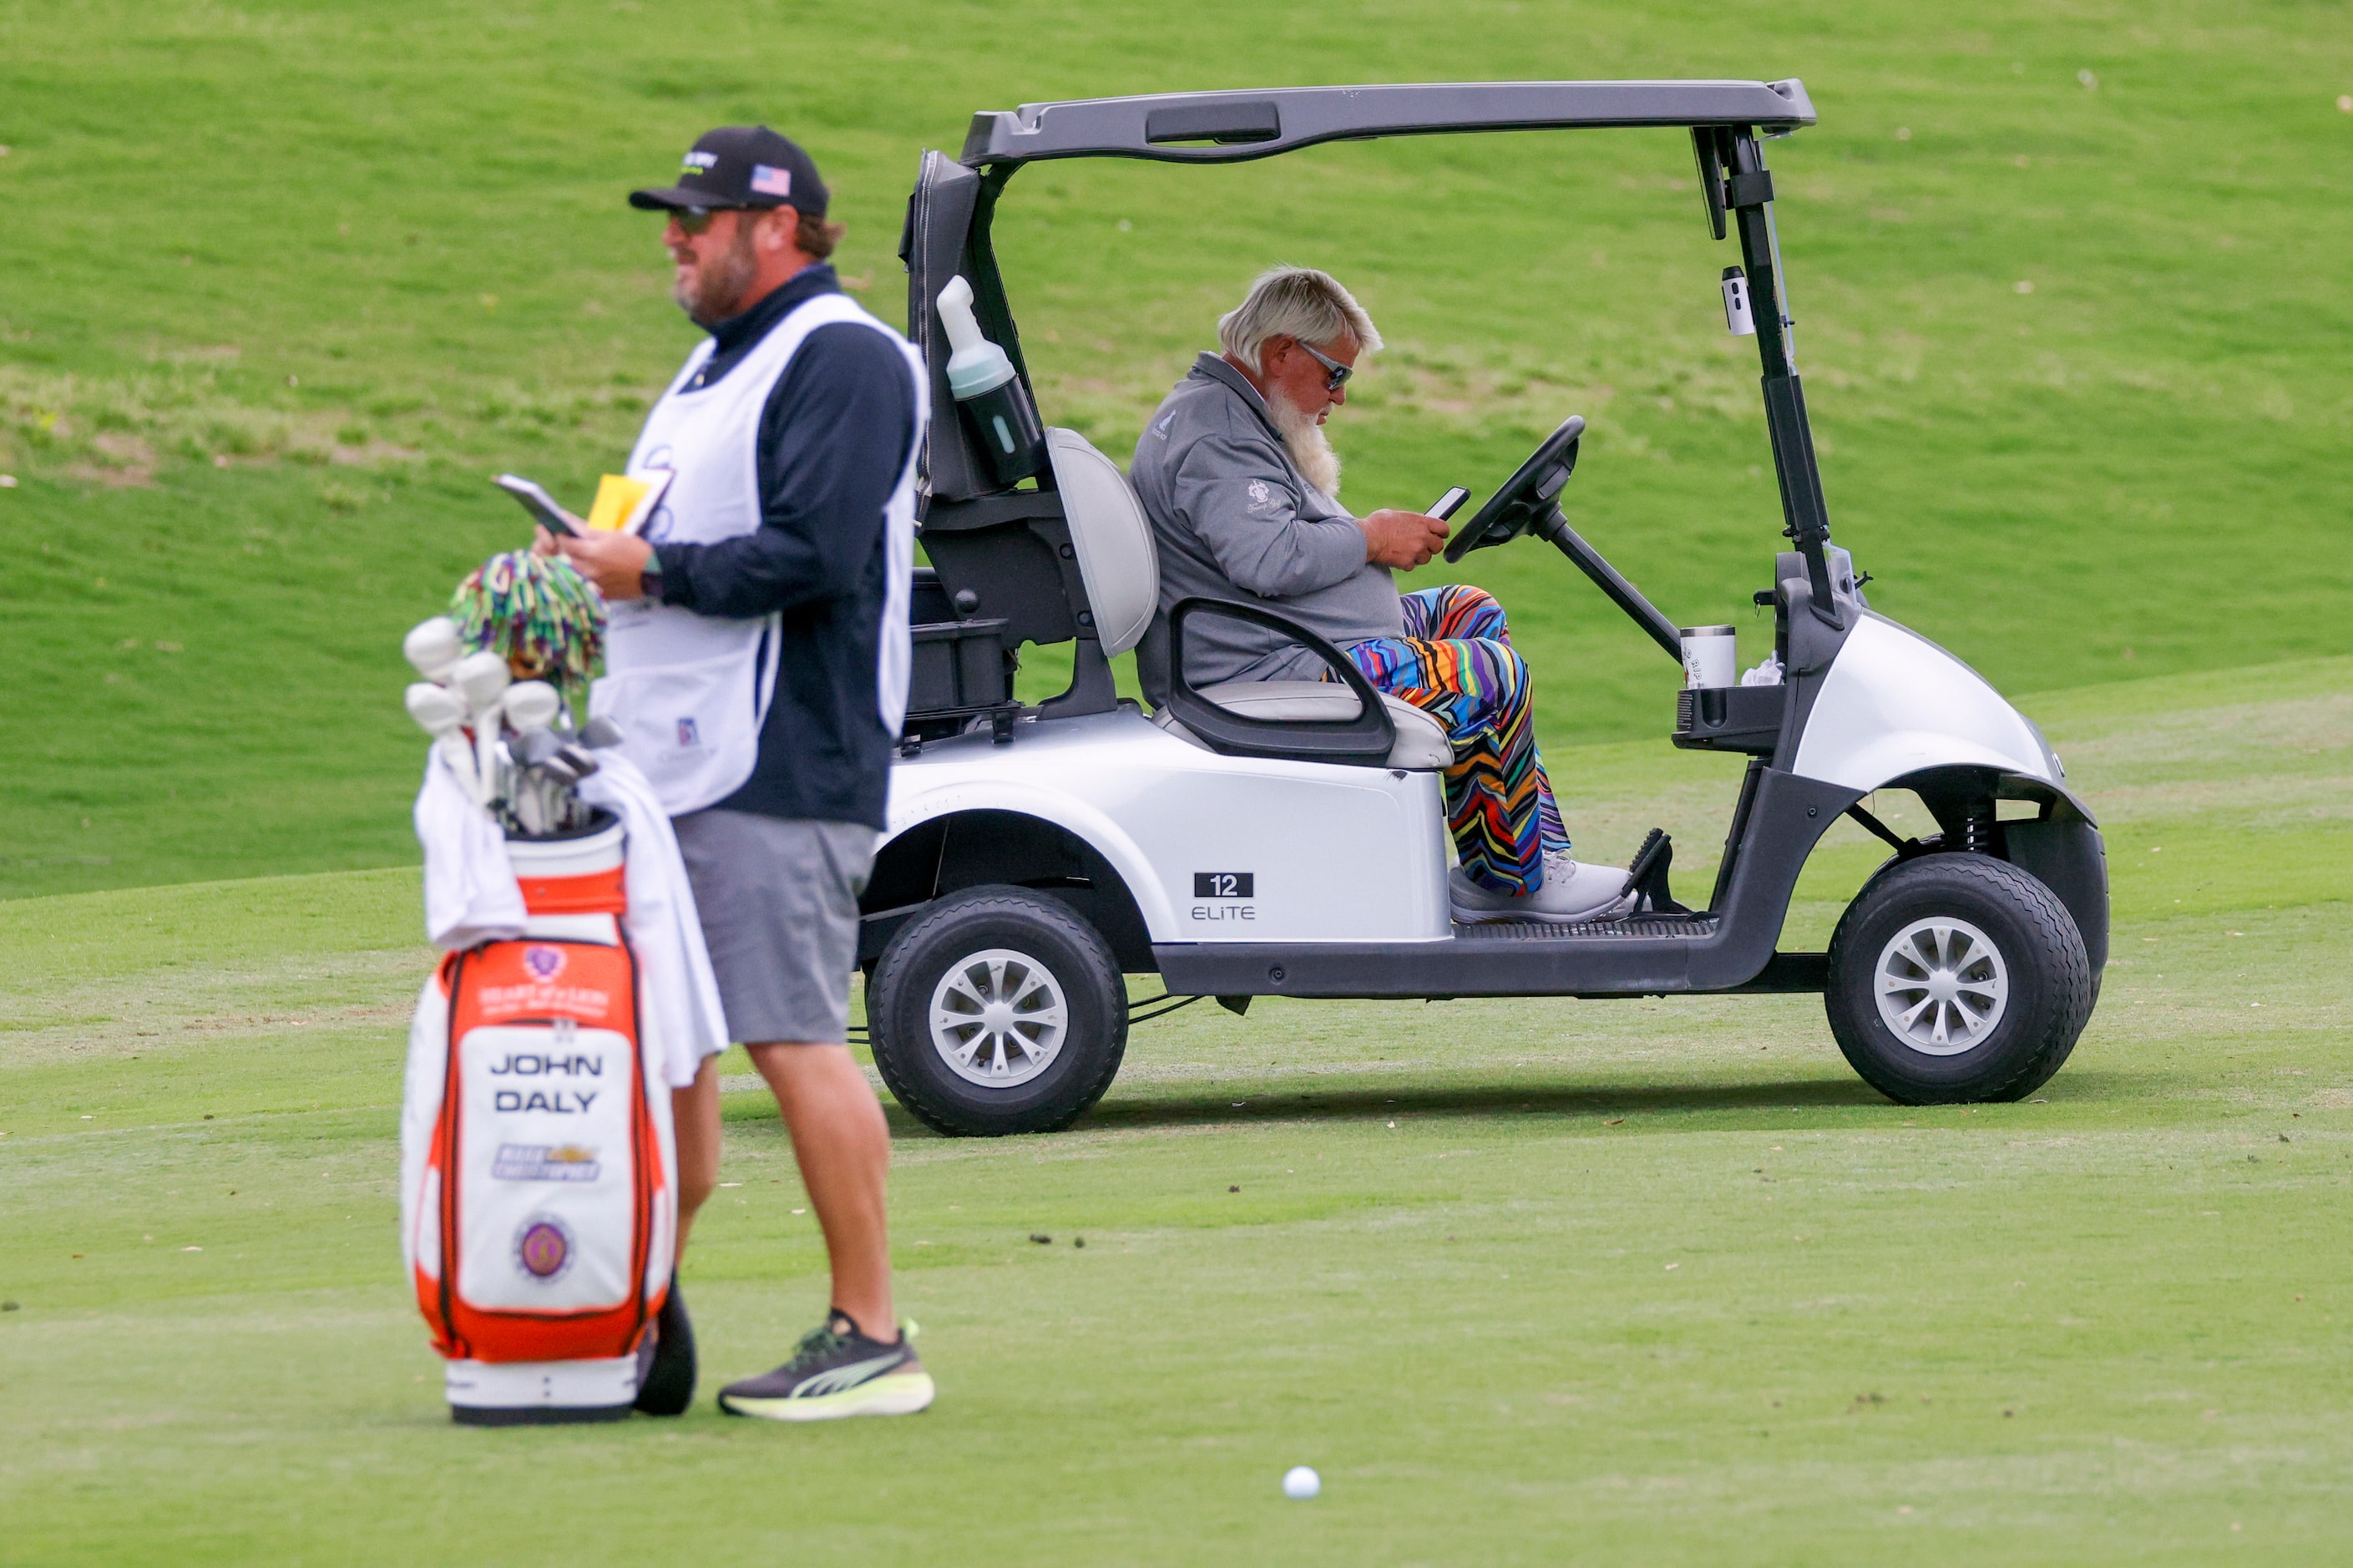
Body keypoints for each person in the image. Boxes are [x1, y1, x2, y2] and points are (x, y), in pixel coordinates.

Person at [540, 125, 934, 1421]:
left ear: (776, 229)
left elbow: (813, 553)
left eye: (696, 218)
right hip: (666, 765)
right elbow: (640, 525)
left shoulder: (846, 357)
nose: (674, 235)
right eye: (674, 216)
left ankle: (872, 1330)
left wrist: (641, 571)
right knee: (669, 1059)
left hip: (783, 758)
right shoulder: (707, 371)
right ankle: (634, 1306)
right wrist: (573, 571)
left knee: (792, 1037)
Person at [1131, 266, 1631, 924]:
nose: (1340, 397)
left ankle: (1516, 865)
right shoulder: (1216, 433)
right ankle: (1517, 885)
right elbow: (1267, 558)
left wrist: (1374, 538)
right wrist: (1369, 539)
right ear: (1281, 353)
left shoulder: (1235, 415)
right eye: (1334, 375)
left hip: (1291, 645)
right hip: (1265, 671)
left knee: (1469, 611)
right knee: (1489, 673)